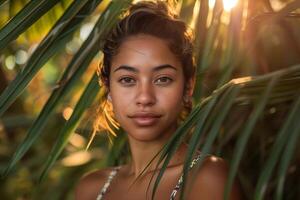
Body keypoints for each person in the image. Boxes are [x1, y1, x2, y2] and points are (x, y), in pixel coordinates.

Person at [75, 1, 241, 199]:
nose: (145, 97)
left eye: (163, 79)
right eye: (127, 80)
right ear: (108, 86)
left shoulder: (206, 179)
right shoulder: (91, 188)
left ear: (188, 86)